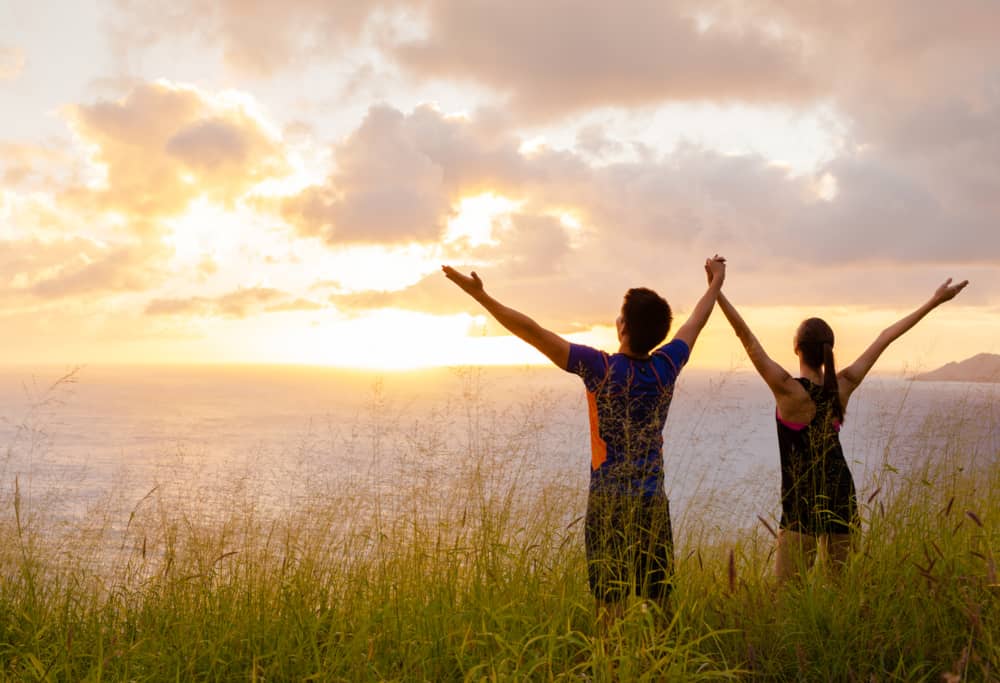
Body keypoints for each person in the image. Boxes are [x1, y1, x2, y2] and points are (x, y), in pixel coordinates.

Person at [442, 256, 726, 626]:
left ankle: (610, 669)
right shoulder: (666, 366)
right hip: (652, 502)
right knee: (659, 604)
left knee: (610, 605)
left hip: (607, 505)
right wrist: (715, 283)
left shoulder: (600, 369)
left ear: (622, 326)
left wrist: (482, 297)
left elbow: (533, 332)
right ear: (657, 333)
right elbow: (695, 323)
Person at [712, 274, 969, 582]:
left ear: (796, 347)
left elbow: (745, 336)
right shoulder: (842, 386)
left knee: (788, 598)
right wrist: (934, 301)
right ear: (828, 349)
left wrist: (716, 287)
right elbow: (885, 337)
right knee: (839, 590)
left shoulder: (787, 390)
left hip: (801, 503)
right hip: (840, 496)